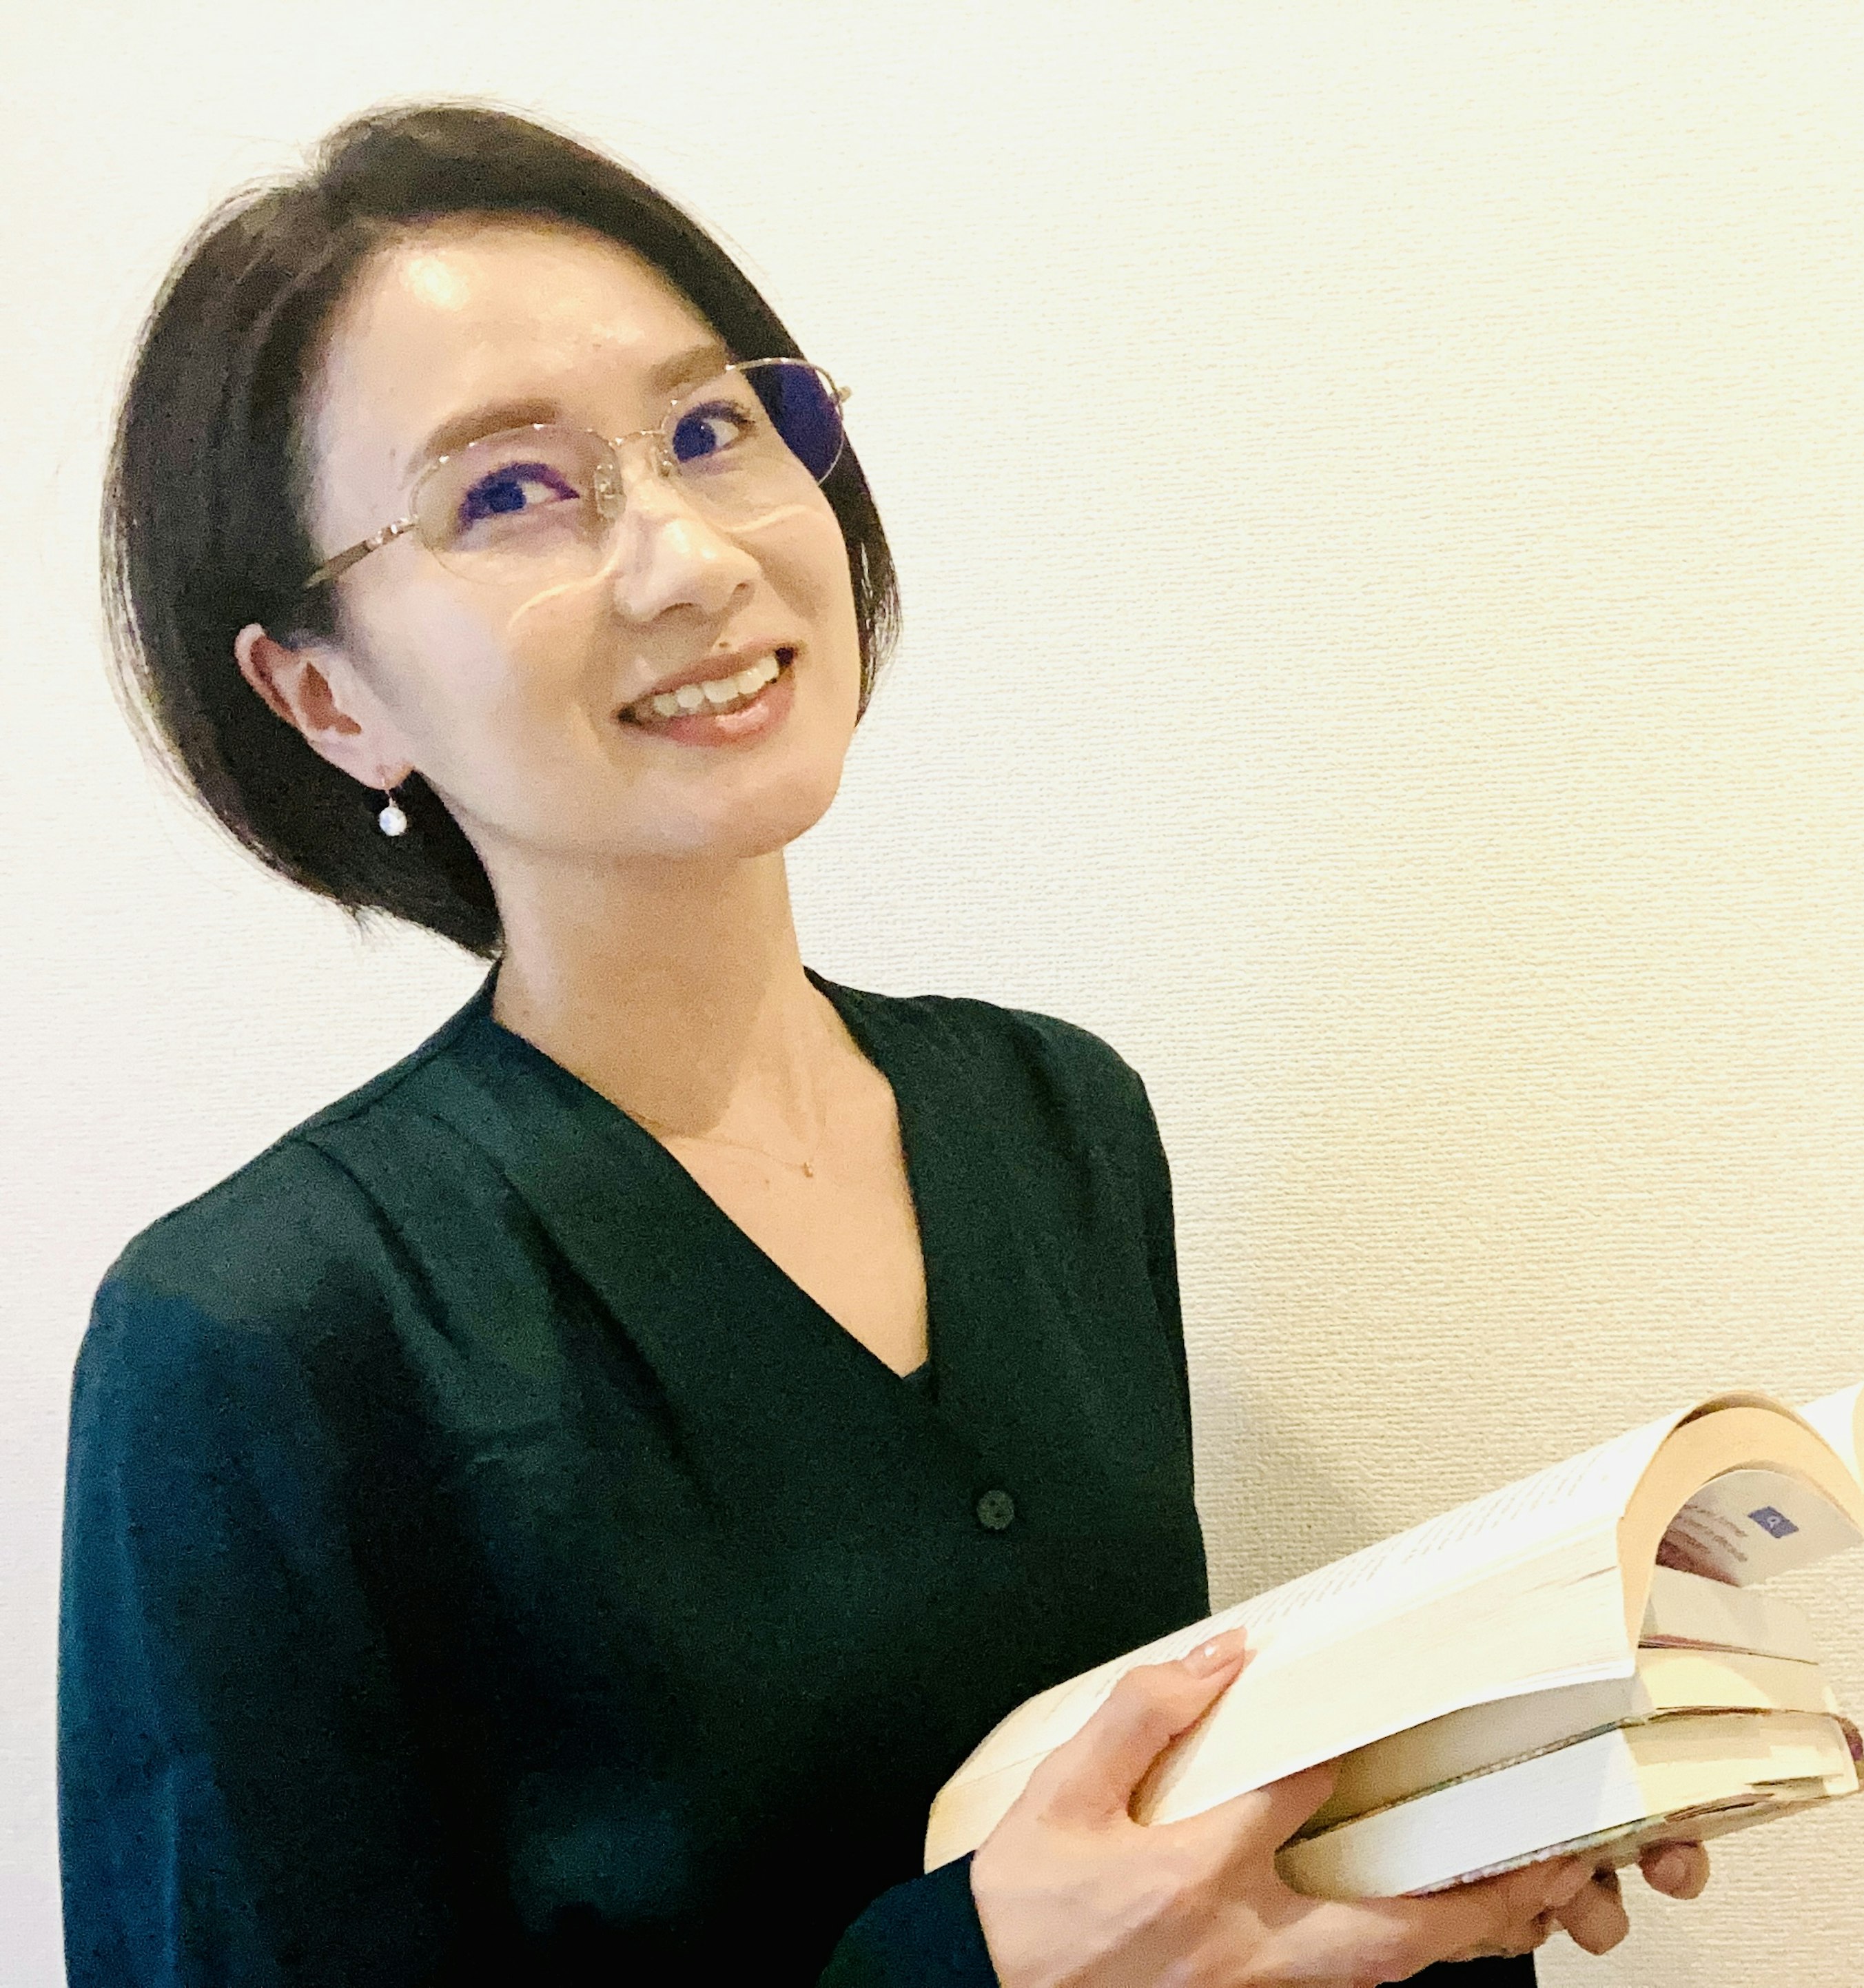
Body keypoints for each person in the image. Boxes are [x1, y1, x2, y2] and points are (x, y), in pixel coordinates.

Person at [60, 101, 1710, 1987]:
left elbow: (1152, 1872)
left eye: (713, 431)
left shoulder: (1056, 1121)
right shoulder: (259, 1337)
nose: (687, 556)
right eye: (513, 494)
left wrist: (1433, 1824)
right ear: (326, 694)